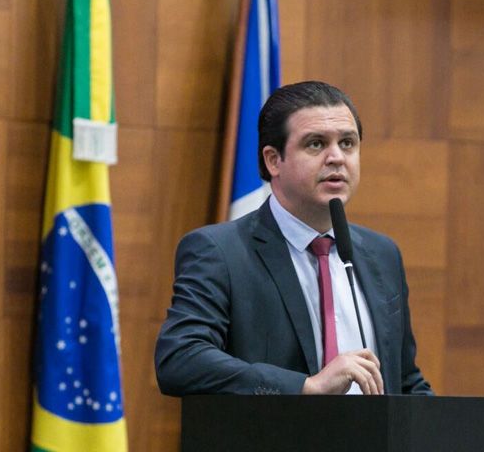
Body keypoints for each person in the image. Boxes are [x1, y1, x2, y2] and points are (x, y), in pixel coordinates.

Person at [154, 81, 433, 396]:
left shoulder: (381, 254)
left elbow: (404, 381)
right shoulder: (221, 252)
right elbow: (180, 359)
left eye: (347, 143)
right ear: (273, 160)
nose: (336, 157)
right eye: (316, 144)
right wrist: (304, 387)